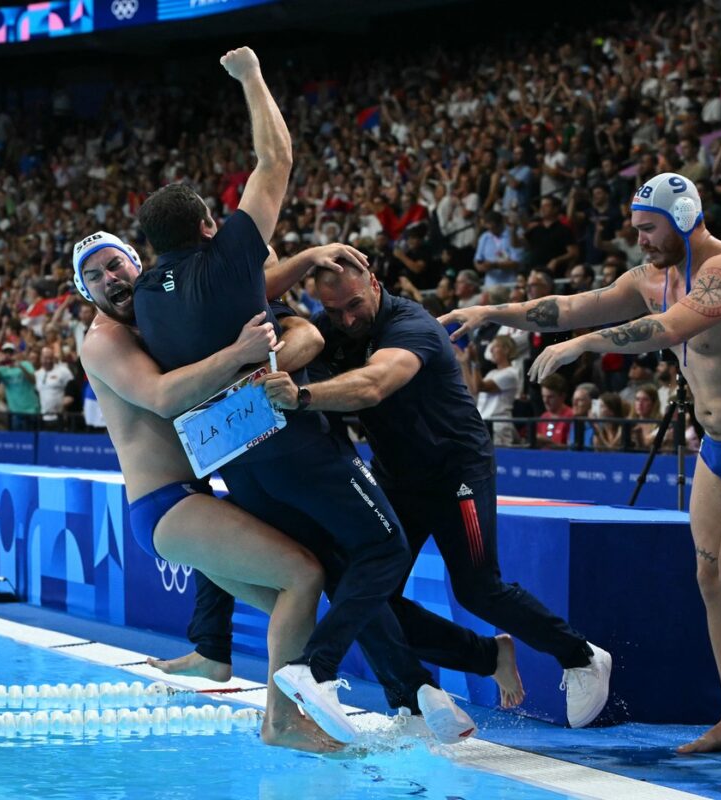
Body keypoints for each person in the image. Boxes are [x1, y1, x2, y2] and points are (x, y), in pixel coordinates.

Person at [129, 46, 474, 746]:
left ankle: (414, 693)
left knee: (342, 562)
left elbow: (243, 302)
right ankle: (312, 672)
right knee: (382, 548)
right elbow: (276, 158)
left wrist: (299, 269)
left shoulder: (141, 302)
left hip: (226, 453)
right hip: (279, 429)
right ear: (207, 227)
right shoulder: (226, 253)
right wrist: (251, 76)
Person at [440, 173, 721, 757]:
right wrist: (491, 311)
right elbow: (565, 306)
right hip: (717, 445)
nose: (639, 240)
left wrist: (585, 345)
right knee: (710, 579)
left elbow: (672, 327)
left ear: (685, 218)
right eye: (635, 229)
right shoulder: (649, 278)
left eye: (648, 228)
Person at [262, 262, 612, 729]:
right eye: (333, 310)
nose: (345, 319)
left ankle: (581, 656)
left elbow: (374, 384)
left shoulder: (412, 326)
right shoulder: (330, 328)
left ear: (375, 286)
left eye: (353, 305)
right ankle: (468, 666)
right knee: (367, 593)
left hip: (456, 472)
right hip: (397, 477)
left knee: (477, 588)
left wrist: (302, 395)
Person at [72, 230, 335, 754]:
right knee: (302, 576)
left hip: (189, 499)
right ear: (85, 293)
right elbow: (163, 397)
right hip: (167, 506)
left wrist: (304, 262)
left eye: (114, 265)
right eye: (94, 276)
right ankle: (280, 722)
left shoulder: (152, 311)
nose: (109, 279)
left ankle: (287, 694)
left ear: (136, 264)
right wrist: (240, 351)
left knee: (302, 610)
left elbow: (251, 288)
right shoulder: (103, 340)